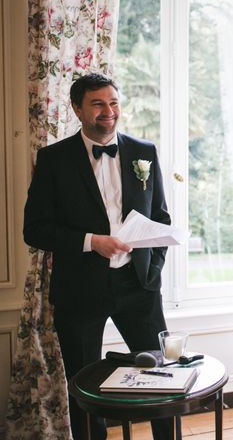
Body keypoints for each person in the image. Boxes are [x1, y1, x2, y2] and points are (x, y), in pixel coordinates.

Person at [23, 73, 172, 440]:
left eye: (114, 103)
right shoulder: (53, 159)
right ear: (77, 108)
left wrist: (152, 268)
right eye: (98, 104)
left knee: (161, 377)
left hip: (138, 285)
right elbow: (36, 230)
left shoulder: (144, 153)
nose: (109, 112)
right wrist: (93, 241)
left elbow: (161, 219)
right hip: (80, 288)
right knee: (86, 386)